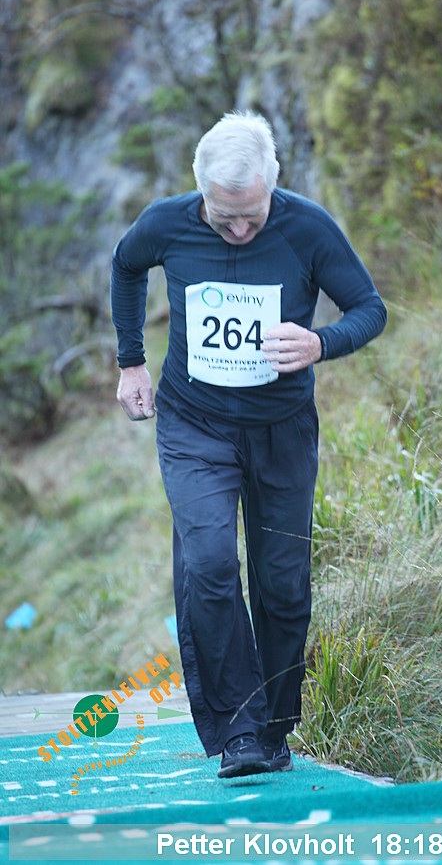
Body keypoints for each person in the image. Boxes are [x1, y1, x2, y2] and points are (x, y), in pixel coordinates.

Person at [111, 110, 387, 778]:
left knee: (282, 583)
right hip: (194, 425)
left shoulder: (308, 228)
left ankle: (275, 728)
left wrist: (320, 342)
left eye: (251, 216)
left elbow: (369, 309)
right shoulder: (168, 222)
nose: (238, 229)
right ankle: (239, 731)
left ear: (273, 183)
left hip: (281, 431)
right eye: (223, 216)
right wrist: (131, 362)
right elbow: (126, 265)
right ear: (200, 190)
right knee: (208, 564)